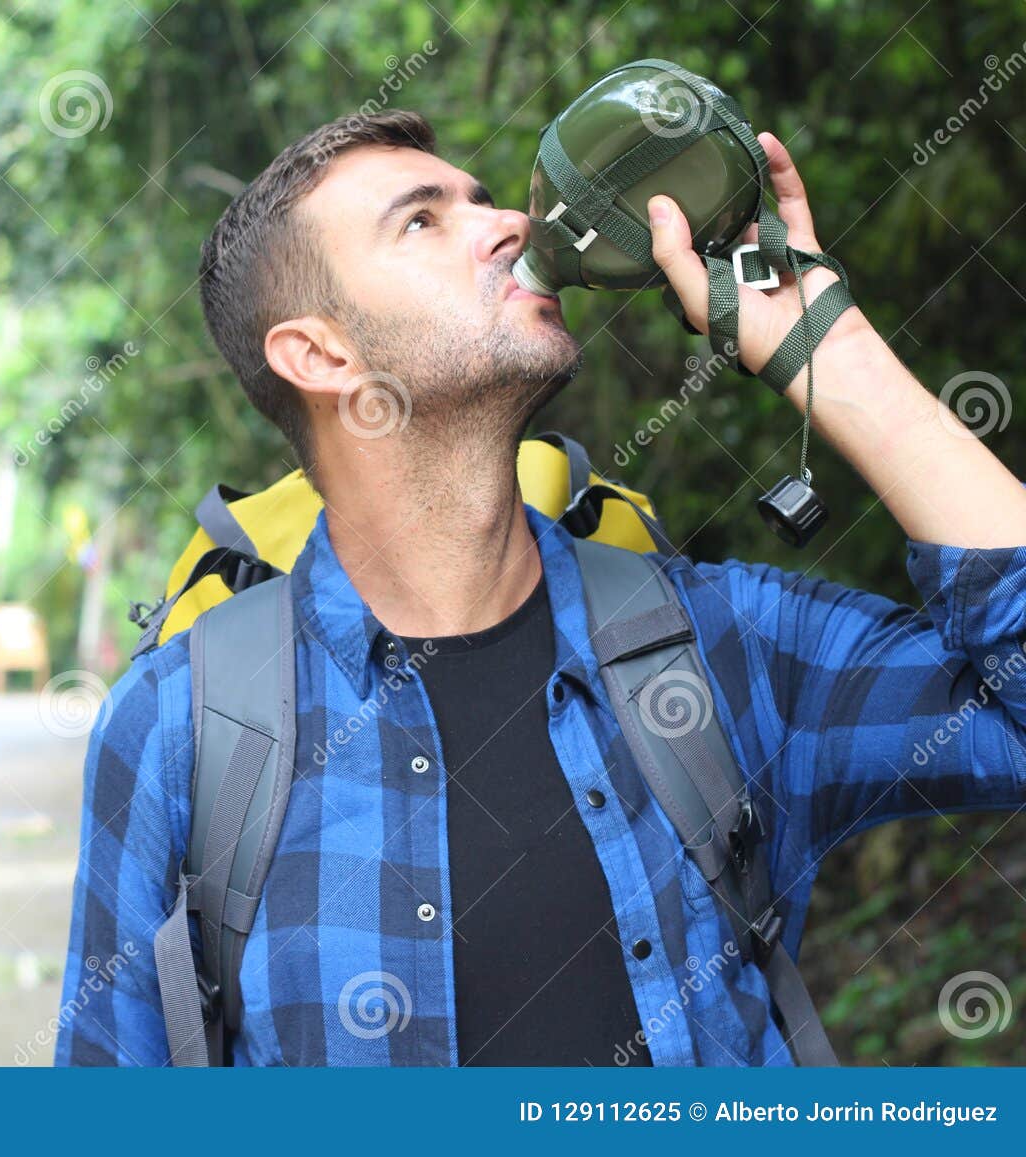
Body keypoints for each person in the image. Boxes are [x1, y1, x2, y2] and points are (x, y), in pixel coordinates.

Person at [53, 110, 1026, 1066]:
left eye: (482, 199)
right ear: (320, 356)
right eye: (423, 220)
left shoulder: (717, 642)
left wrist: (830, 349)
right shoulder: (186, 724)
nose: (511, 224)